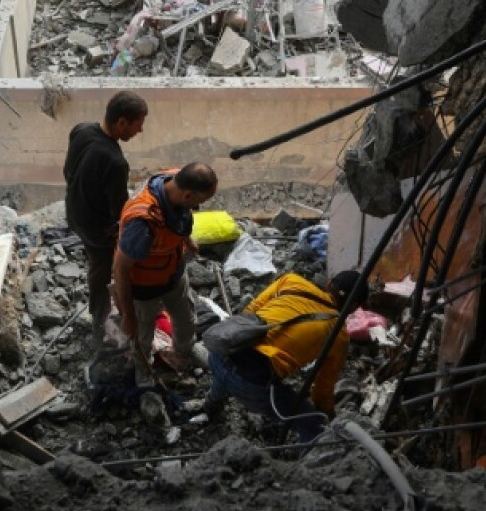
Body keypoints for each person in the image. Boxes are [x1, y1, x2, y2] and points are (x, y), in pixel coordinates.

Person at [202, 271, 367, 444]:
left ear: (328, 284)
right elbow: (322, 391)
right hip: (252, 387)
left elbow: (250, 311)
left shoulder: (292, 281)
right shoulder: (338, 336)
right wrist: (328, 415)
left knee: (228, 368)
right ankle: (300, 469)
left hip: (219, 353)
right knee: (314, 424)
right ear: (355, 307)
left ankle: (211, 405)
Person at [113, 163, 218, 386]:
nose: (198, 208)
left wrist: (186, 241)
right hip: (144, 287)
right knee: (142, 333)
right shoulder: (142, 223)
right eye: (199, 202)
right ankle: (144, 368)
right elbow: (120, 269)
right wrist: (128, 315)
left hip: (173, 274)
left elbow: (181, 219)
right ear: (188, 194)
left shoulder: (175, 180)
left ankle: (184, 350)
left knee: (185, 318)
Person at [64, 91, 148, 349]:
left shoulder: (82, 130)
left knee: (96, 264)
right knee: (101, 271)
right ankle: (100, 322)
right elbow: (119, 213)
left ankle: (103, 312)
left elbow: (68, 170)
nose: (140, 130)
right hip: (96, 229)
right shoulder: (115, 162)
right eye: (137, 124)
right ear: (122, 122)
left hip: (75, 212)